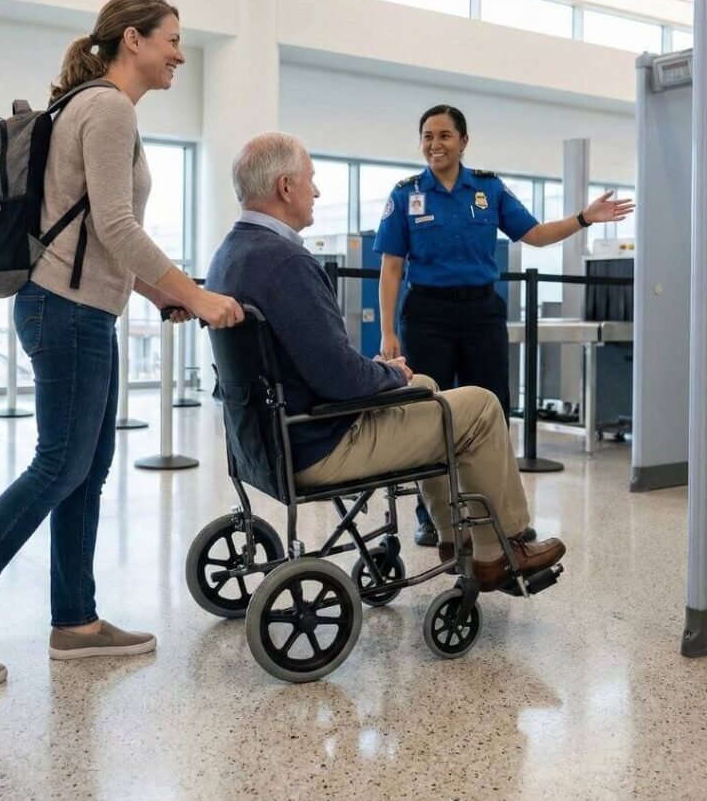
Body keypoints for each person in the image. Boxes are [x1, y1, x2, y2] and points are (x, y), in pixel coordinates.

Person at [0, 0, 244, 686]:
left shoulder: (85, 107)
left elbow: (95, 229)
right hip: (66, 311)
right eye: (171, 40)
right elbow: (120, 227)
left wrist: (156, 294)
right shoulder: (109, 108)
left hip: (79, 308)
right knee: (60, 466)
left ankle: (76, 622)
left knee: (84, 472)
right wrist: (197, 295)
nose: (180, 54)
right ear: (133, 40)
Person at [206, 132, 566, 590]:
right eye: (311, 180)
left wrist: (387, 375)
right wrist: (388, 372)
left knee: (431, 385)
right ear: (285, 187)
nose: (316, 191)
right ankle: (503, 547)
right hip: (319, 441)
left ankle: (456, 539)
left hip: (262, 440)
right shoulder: (286, 262)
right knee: (480, 405)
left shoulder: (230, 254)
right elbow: (337, 376)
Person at [375, 105, 634, 546]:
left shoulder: (489, 190)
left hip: (481, 314)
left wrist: (585, 218)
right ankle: (430, 515)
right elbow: (392, 268)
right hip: (427, 316)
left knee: (492, 412)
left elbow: (534, 234)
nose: (434, 144)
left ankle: (496, 512)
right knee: (427, 413)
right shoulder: (405, 195)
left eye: (444, 136)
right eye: (427, 136)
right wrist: (387, 331)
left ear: (463, 141)